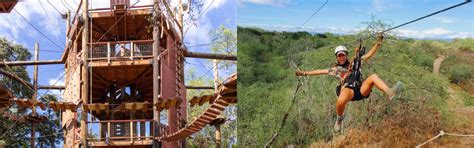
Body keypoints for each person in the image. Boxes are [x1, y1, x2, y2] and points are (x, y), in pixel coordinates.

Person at [295, 33, 402, 131]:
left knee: (373, 77)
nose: (341, 57)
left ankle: (389, 92)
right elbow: (319, 71)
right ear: (336, 57)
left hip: (360, 89)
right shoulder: (335, 70)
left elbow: (369, 55)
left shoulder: (354, 63)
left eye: (343, 55)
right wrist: (304, 73)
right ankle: (339, 118)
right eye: (339, 55)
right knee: (341, 99)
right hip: (347, 89)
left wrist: (378, 43)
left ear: (346, 55)